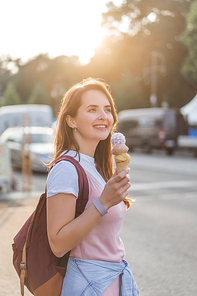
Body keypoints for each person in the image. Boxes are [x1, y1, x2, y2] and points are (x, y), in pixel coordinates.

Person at [46, 78, 139, 295]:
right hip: (89, 285)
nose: (103, 116)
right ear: (71, 121)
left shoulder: (96, 166)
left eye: (107, 109)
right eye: (92, 109)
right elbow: (58, 244)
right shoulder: (67, 168)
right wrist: (104, 202)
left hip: (111, 279)